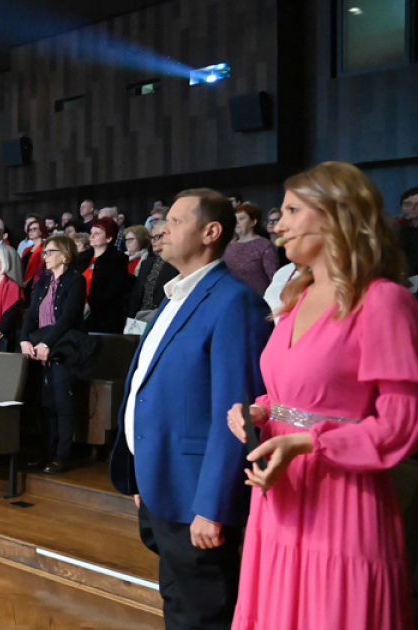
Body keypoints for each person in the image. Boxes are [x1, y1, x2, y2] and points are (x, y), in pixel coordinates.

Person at [226, 162, 418, 630]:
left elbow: (405, 423)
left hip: (341, 500)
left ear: (338, 215)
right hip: (278, 499)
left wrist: (307, 442)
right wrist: (260, 410)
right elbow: (297, 394)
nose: (278, 224)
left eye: (293, 210)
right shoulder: (296, 296)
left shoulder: (383, 300)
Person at [110, 188, 273, 630]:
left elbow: (235, 412)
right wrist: (143, 469)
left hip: (196, 495)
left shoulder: (233, 302)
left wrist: (214, 505)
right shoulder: (174, 295)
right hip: (163, 479)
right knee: (178, 601)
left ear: (211, 232)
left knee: (203, 612)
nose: (162, 229)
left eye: (177, 221)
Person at [20, 236, 86, 474]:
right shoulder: (43, 282)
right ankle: (46, 453)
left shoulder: (76, 281)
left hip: (63, 349)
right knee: (45, 403)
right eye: (44, 252)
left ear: (65, 255)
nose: (44, 256)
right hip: (39, 349)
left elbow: (68, 318)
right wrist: (24, 339)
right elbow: (31, 315)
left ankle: (62, 455)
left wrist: (47, 343)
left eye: (49, 252)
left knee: (62, 402)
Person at [82, 217, 131, 333]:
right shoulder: (82, 257)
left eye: (97, 233)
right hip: (78, 312)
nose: (92, 236)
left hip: (103, 318)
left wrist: (89, 305)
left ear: (109, 238)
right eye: (91, 233)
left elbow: (112, 290)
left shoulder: (118, 259)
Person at [223, 203, 279, 295]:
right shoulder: (230, 246)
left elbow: (274, 279)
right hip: (232, 300)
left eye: (242, 218)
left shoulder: (264, 245)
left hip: (258, 301)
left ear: (253, 222)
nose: (237, 222)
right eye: (235, 219)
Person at [128, 221, 178, 319]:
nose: (153, 241)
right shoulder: (146, 263)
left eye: (157, 237)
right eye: (152, 238)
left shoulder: (176, 263)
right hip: (139, 319)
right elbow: (137, 295)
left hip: (163, 318)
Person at [19, 221, 46, 291]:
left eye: (34, 229)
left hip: (36, 283)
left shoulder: (44, 248)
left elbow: (41, 269)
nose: (31, 231)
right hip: (24, 282)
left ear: (41, 231)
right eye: (29, 230)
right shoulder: (27, 249)